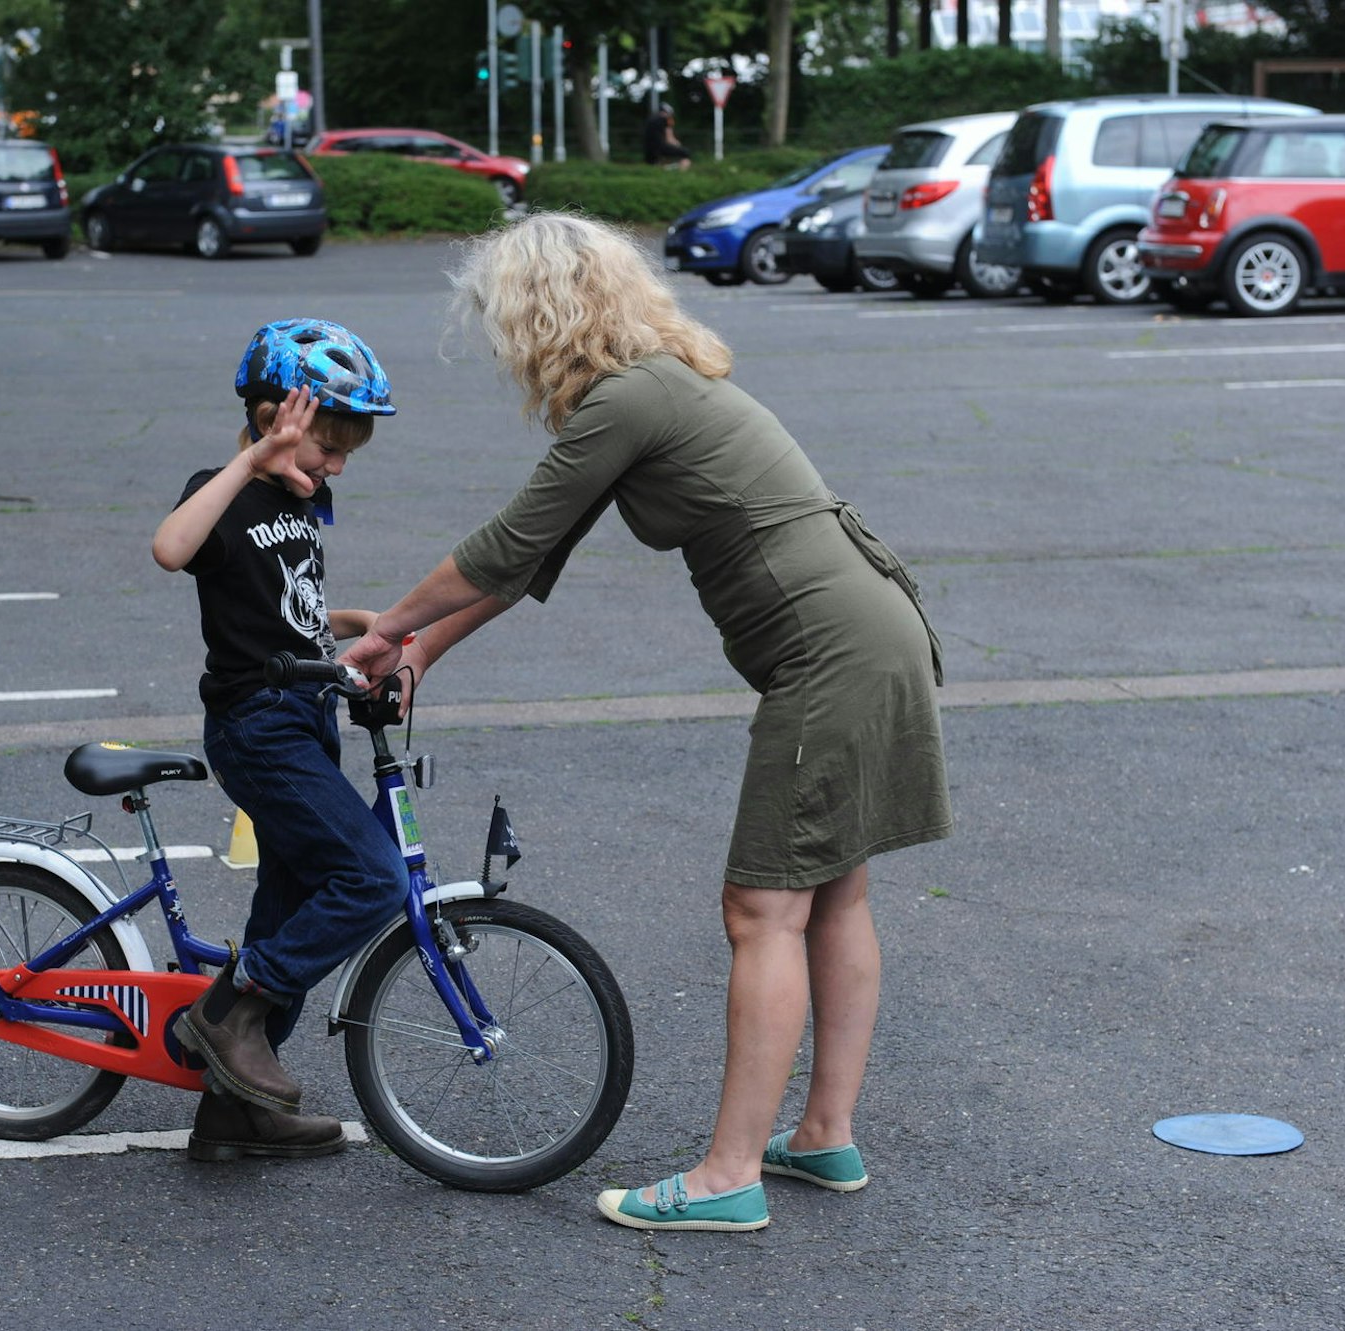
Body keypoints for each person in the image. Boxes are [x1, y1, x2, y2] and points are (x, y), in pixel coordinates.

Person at [339, 214, 951, 1231]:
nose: (501, 343)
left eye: (501, 320)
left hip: (828, 655)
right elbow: (534, 554)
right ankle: (821, 1133)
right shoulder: (657, 386)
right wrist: (423, 650)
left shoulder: (630, 398)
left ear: (542, 312)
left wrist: (389, 623)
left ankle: (725, 1176)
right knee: (833, 892)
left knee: (761, 911)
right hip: (867, 628)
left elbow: (503, 541)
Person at [152, 318, 408, 1162]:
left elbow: (277, 607)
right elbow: (171, 548)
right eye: (326, 447)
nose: (335, 466)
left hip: (304, 716)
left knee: (292, 909)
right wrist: (249, 465)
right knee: (370, 876)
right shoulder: (223, 493)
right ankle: (225, 1013)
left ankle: (234, 1112)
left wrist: (353, 621)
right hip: (255, 727)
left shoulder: (299, 511)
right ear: (272, 418)